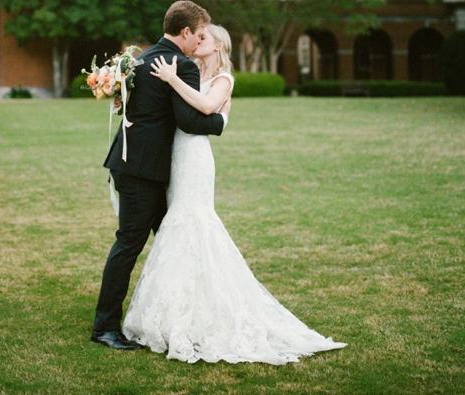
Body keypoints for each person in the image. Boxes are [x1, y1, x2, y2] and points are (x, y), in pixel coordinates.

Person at [122, 24, 347, 364]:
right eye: (197, 36)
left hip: (195, 158)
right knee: (176, 228)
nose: (199, 41)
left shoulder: (224, 78)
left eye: (204, 38)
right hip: (172, 155)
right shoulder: (188, 69)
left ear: (218, 46)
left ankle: (210, 313)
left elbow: (207, 106)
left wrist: (172, 80)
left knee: (195, 221)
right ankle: (180, 310)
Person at [91, 1, 231, 350]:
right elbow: (190, 121)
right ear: (185, 32)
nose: (200, 41)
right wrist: (222, 120)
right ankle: (105, 327)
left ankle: (176, 316)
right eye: (198, 34)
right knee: (128, 245)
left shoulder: (139, 58)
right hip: (144, 170)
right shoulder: (179, 65)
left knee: (172, 244)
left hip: (132, 163)